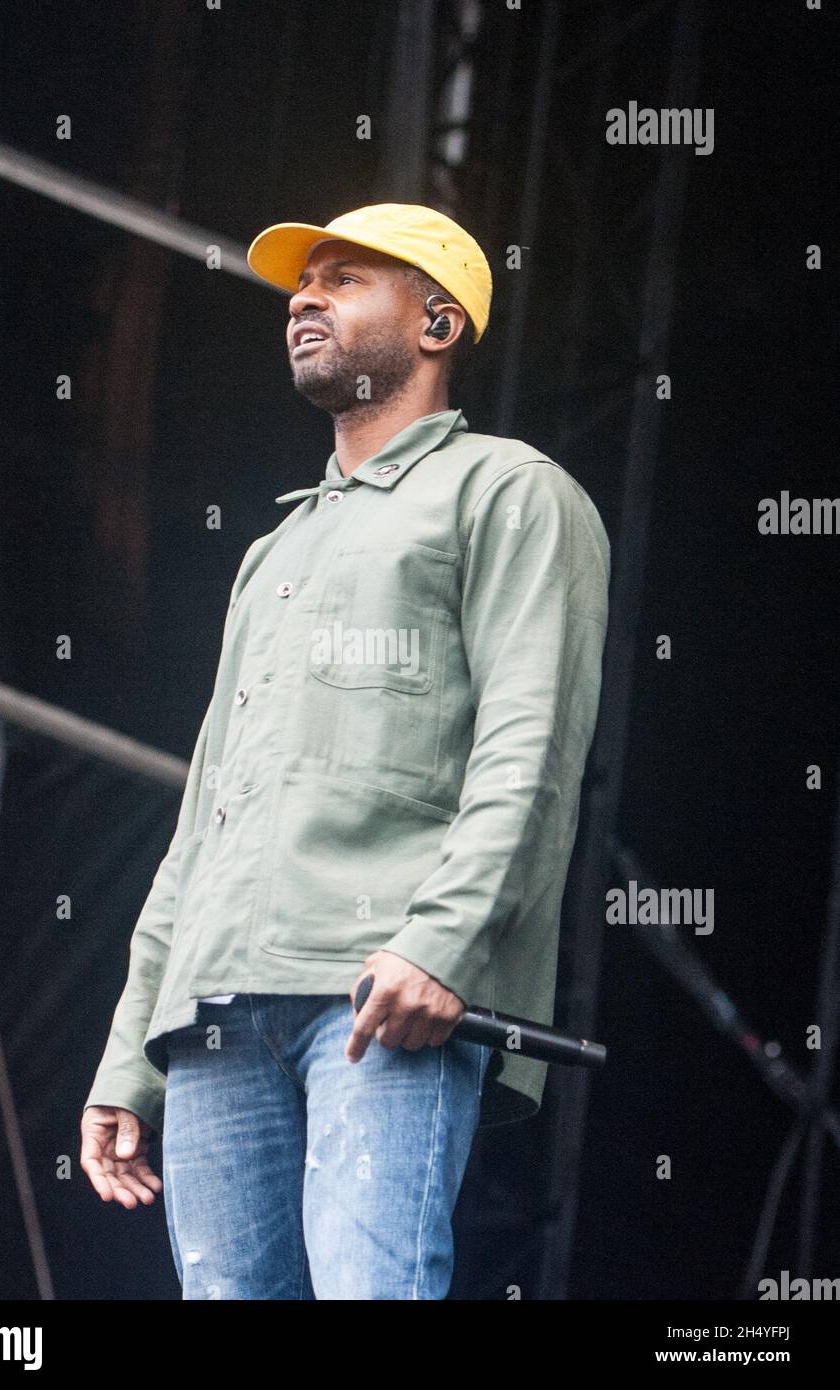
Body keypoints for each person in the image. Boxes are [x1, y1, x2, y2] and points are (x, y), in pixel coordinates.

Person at [80, 202, 611, 1299]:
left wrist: (444, 949)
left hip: (378, 990)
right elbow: (205, 813)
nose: (303, 297)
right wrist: (131, 1055)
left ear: (437, 322)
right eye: (300, 281)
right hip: (217, 1008)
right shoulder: (277, 546)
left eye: (343, 278)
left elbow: (532, 749)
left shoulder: (508, 491)